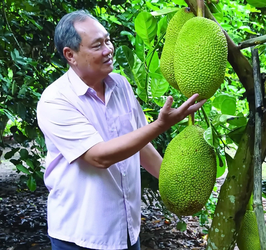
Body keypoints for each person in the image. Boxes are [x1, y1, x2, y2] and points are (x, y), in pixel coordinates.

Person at [36, 10, 205, 250]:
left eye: (107, 40)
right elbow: (98, 156)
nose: (108, 50)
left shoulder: (121, 85)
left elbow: (140, 144)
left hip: (126, 231)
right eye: (97, 45)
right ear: (70, 55)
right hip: (80, 236)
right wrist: (161, 125)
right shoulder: (55, 100)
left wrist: (176, 185)